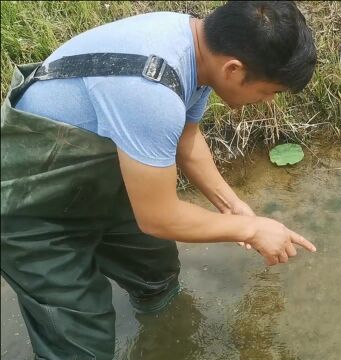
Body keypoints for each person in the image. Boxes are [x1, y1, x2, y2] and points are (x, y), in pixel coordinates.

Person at [0, 1, 317, 359]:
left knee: (155, 271)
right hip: (28, 206)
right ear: (234, 69)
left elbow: (186, 139)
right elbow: (158, 217)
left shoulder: (197, 47)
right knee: (80, 342)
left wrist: (235, 208)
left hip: (92, 180)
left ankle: (165, 340)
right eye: (269, 92)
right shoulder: (151, 92)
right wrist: (252, 230)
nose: (268, 103)